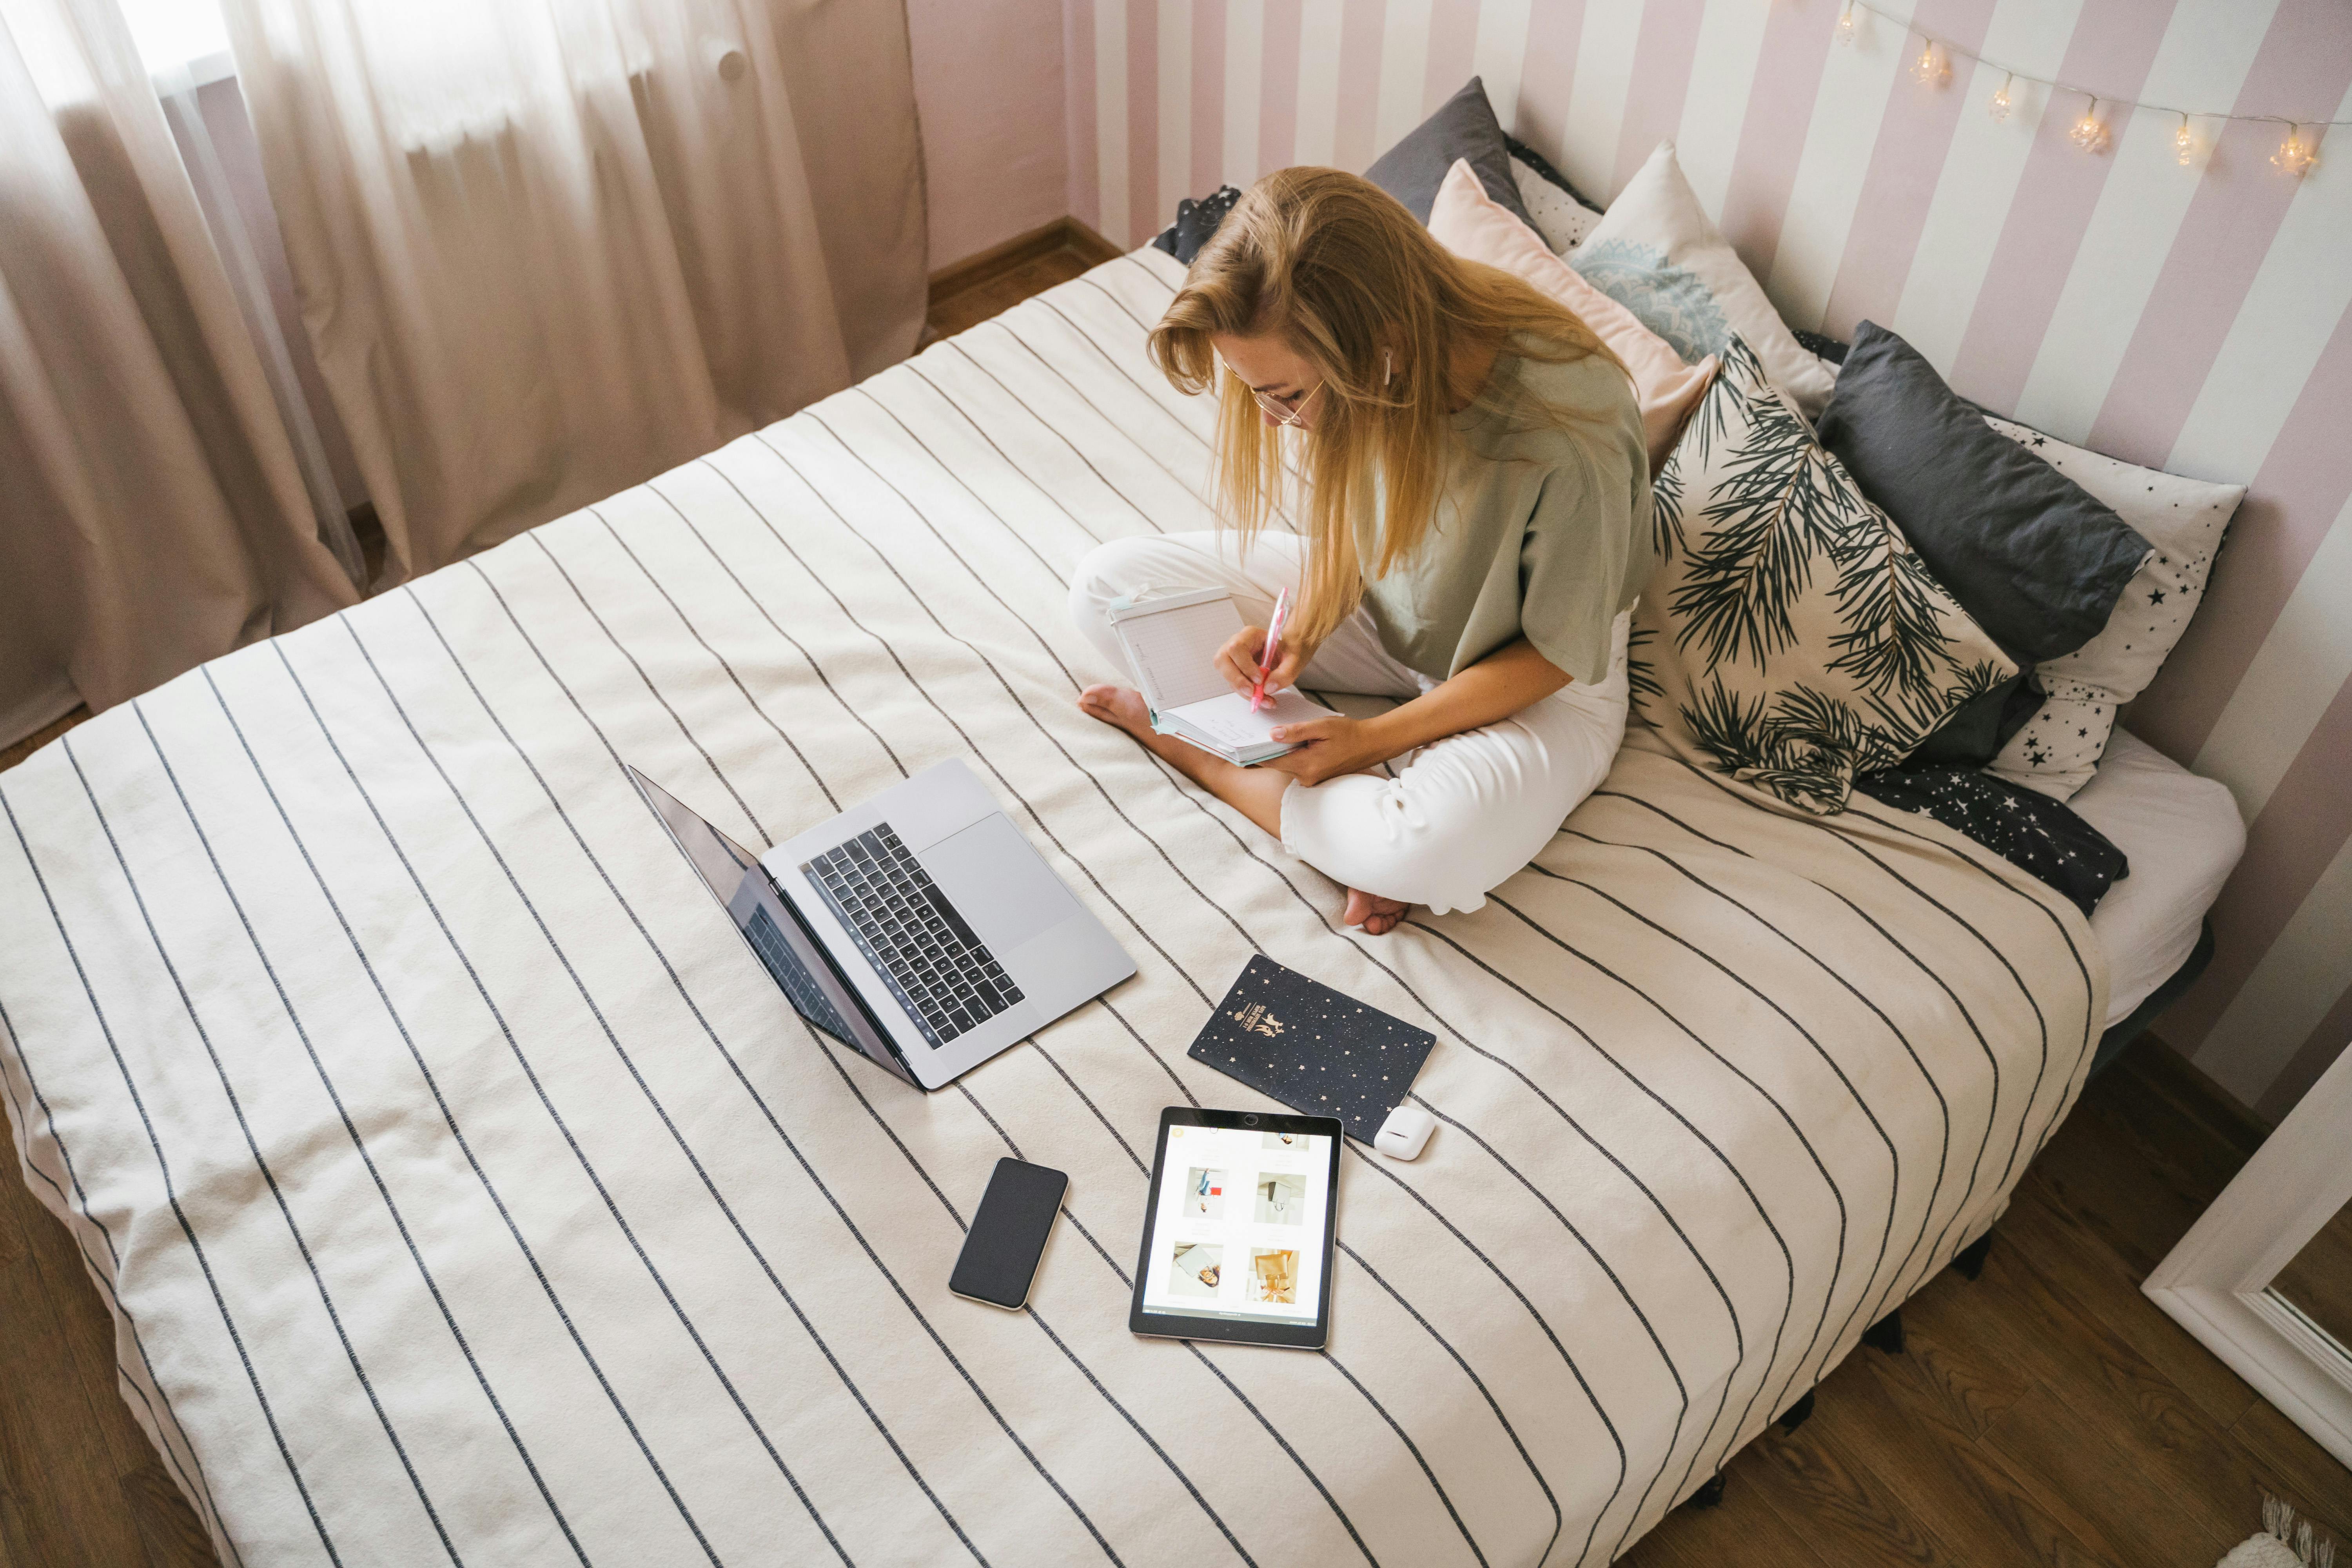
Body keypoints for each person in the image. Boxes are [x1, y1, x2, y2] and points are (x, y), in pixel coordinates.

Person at [1069, 167, 1653, 935]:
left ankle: (1209, 757)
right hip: (1391, 605)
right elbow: (1354, 508)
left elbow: (1555, 654)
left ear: (1376, 347)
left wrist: (1371, 741)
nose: (1271, 421)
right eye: (1256, 393)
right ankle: (1331, 816)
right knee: (1105, 587)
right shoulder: (1389, 340)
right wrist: (1303, 631)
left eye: (1284, 394)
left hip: (1534, 675)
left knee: (1429, 850)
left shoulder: (1569, 431)